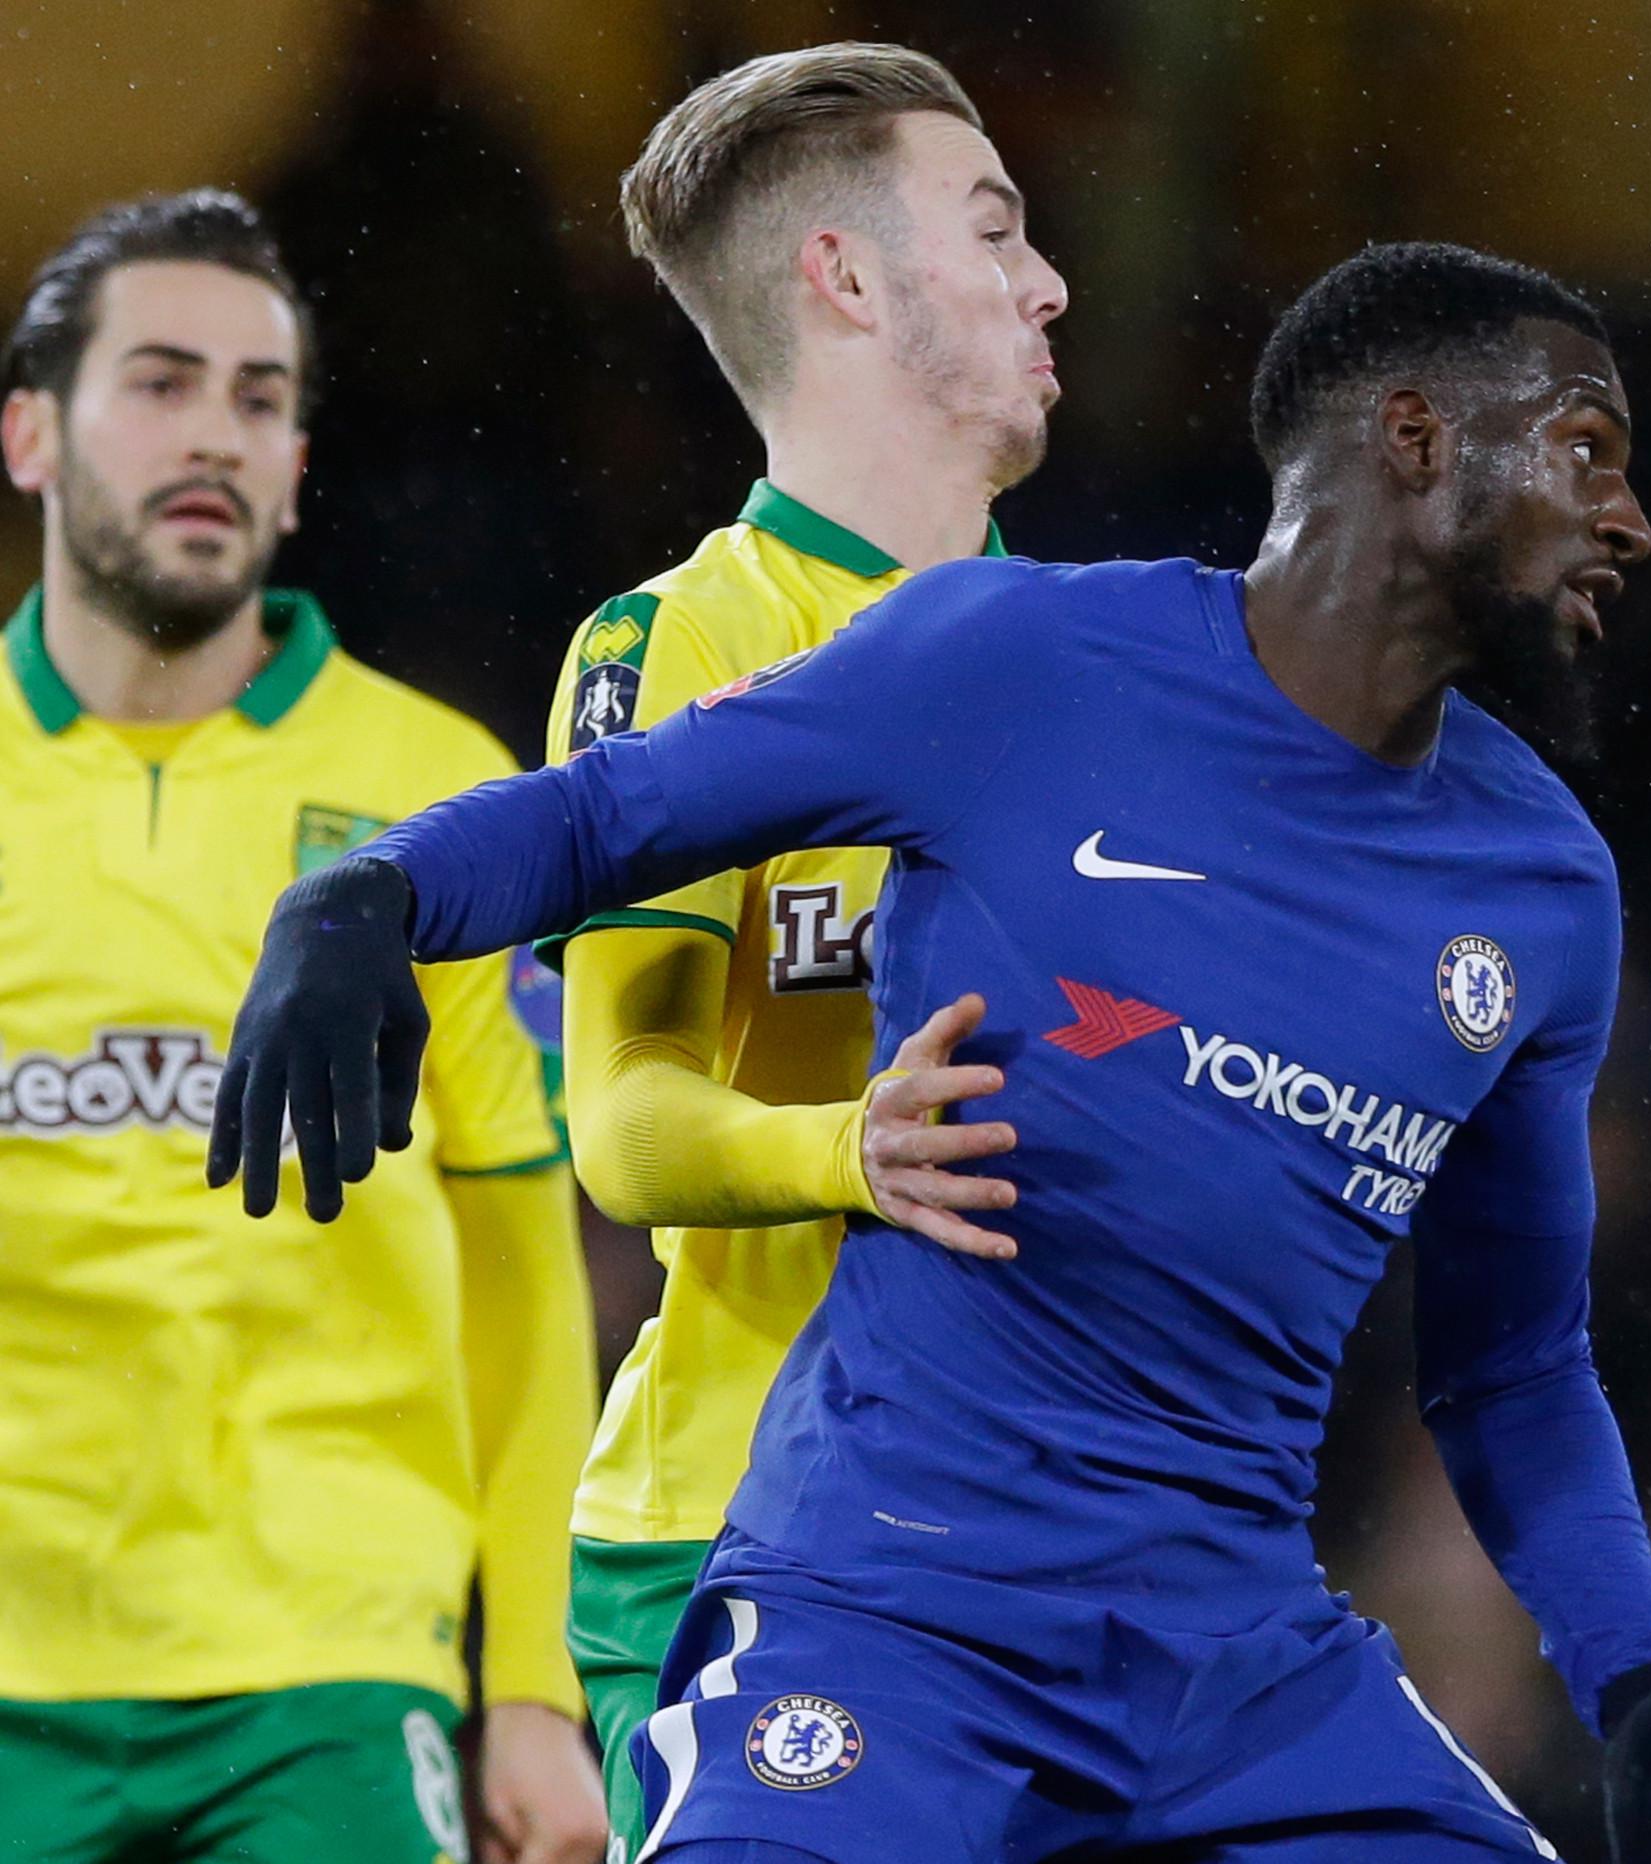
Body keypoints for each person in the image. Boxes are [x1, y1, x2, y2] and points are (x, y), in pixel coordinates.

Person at [211, 241, 1651, 1864]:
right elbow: (606, 815)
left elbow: (1511, 1365)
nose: (1628, 520)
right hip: (892, 1615)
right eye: (1586, 450)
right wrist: (365, 897)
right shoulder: (1017, 663)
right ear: (1416, 440)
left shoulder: (1541, 887)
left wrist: (1644, 1674)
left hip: (1237, 1672)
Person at [0, 191, 606, 1864]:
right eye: (163, 382)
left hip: (327, 1670)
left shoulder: (437, 798)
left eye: (260, 401)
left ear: (296, 468)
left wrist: (534, 1685)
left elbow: (524, 1278)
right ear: (30, 434)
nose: (217, 434)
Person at [535, 46, 1067, 1858]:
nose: (1048, 283)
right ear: (844, 278)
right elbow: (623, 1121)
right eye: (993, 231)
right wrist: (856, 1152)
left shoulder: (1109, 659)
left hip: (1071, 1539)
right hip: (756, 1529)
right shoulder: (682, 650)